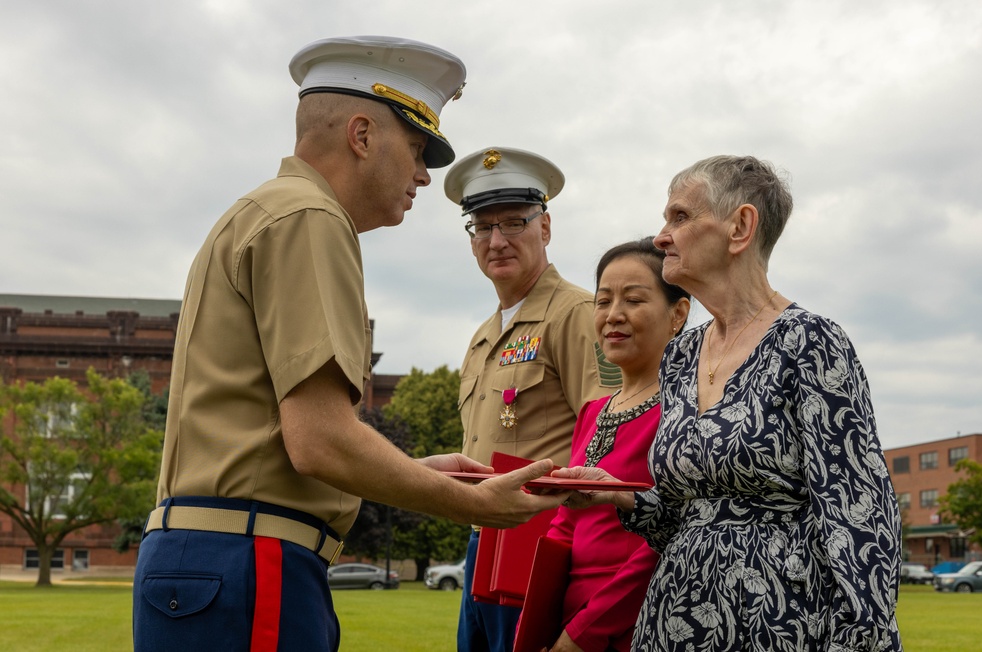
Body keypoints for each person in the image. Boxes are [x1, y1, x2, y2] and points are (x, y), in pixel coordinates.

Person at [132, 37, 568, 652]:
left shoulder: (258, 210)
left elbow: (268, 440)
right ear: (362, 135)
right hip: (250, 560)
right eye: (417, 149)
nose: (422, 174)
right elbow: (320, 440)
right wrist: (456, 501)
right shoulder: (312, 217)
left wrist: (407, 472)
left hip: (209, 556)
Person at [557, 155, 903, 651]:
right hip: (673, 621)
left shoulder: (811, 342)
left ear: (740, 227)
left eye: (680, 217)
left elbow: (860, 518)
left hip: (779, 625)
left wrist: (859, 640)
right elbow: (681, 515)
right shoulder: (679, 355)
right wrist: (619, 494)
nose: (661, 237)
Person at [444, 147, 619, 652]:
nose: (496, 240)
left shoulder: (578, 314)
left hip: (541, 539)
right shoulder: (483, 336)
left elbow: (608, 428)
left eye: (514, 222)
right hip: (482, 542)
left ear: (545, 227)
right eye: (482, 226)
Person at [538, 237, 690, 652]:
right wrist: (538, 619)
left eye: (634, 300)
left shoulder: (686, 410)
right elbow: (566, 522)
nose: (613, 315)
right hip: (567, 620)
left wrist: (581, 636)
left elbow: (666, 539)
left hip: (635, 623)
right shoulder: (593, 410)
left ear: (678, 314)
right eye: (603, 301)